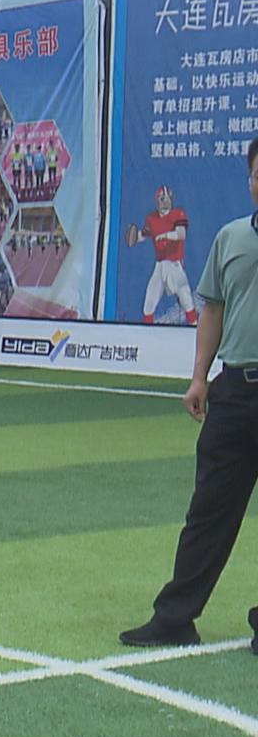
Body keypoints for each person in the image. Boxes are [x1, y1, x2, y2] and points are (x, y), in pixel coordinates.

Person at [121, 139, 258, 651]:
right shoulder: (230, 238)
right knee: (208, 512)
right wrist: (200, 377)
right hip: (235, 391)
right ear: (250, 180)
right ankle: (175, 619)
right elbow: (213, 310)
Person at [141, 186, 198, 325]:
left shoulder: (178, 214)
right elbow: (144, 234)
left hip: (174, 263)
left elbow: (181, 234)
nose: (165, 202)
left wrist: (166, 235)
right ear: (157, 201)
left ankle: (194, 328)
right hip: (160, 265)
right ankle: (145, 333)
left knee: (185, 298)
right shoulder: (152, 218)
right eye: (162, 199)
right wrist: (134, 237)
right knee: (149, 301)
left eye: (167, 198)